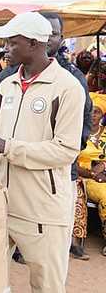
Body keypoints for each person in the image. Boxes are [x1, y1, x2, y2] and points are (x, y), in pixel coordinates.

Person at [0, 11, 84, 293]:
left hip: (43, 209)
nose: (5, 49)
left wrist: (7, 146)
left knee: (46, 286)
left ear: (35, 44)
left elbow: (66, 150)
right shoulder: (6, 84)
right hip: (1, 204)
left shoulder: (68, 87)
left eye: (12, 43)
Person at [71, 93, 106, 260]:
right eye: (91, 110)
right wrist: (91, 173)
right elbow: (70, 160)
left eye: (97, 111)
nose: (93, 115)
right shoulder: (78, 132)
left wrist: (103, 167)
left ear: (102, 115)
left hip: (101, 178)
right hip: (81, 176)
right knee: (78, 192)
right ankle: (76, 243)